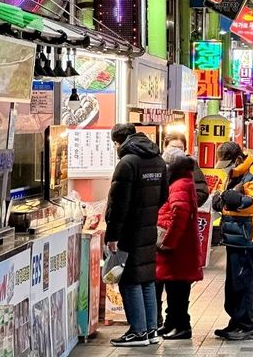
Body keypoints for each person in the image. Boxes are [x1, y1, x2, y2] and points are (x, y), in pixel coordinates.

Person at [105, 124, 168, 347]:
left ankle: (138, 332)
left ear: (119, 142)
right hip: (148, 227)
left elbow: (118, 205)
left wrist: (112, 235)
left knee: (130, 280)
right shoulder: (158, 160)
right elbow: (163, 196)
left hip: (129, 231)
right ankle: (151, 330)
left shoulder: (127, 163)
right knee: (147, 279)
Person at [212, 142, 253, 341]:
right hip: (234, 235)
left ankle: (245, 325)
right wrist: (221, 201)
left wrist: (237, 199)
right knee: (233, 283)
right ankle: (235, 321)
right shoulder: (235, 174)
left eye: (228, 163)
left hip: (247, 236)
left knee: (243, 281)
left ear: (237, 159)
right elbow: (224, 200)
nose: (225, 167)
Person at [155, 150, 203, 340]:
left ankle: (182, 326)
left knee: (178, 290)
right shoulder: (180, 182)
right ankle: (171, 323)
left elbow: (179, 214)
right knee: (174, 288)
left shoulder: (180, 184)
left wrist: (168, 242)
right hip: (178, 248)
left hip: (178, 249)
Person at [162, 132, 209, 207]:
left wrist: (184, 203)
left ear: (184, 149)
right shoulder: (157, 164)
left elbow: (202, 192)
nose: (176, 151)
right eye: (173, 147)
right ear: (165, 147)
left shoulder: (190, 165)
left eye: (180, 148)